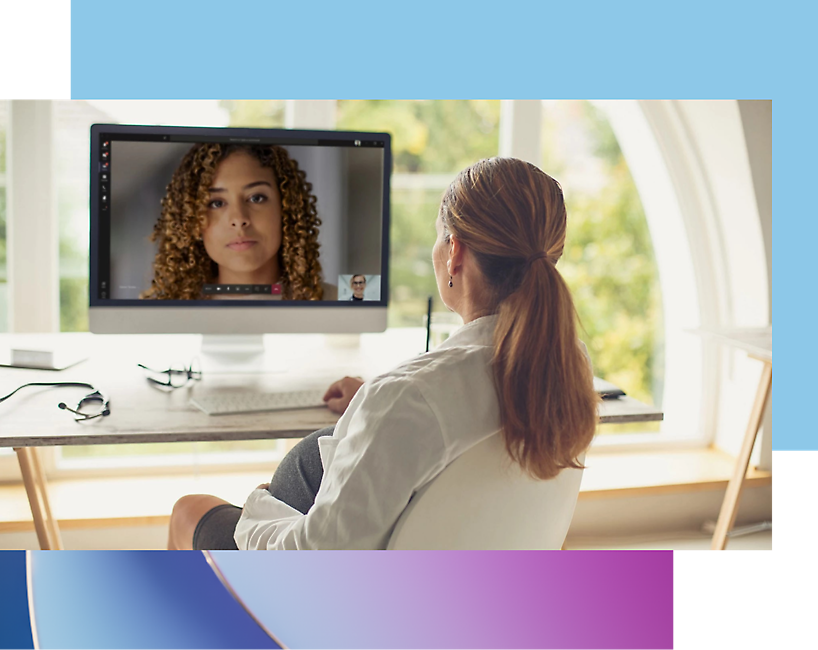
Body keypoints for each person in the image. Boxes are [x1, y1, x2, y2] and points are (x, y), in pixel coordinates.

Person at [167, 157, 600, 550]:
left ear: (455, 254)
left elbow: (315, 558)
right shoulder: (565, 365)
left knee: (191, 508)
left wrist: (260, 508)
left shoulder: (410, 398)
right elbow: (454, 412)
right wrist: (372, 403)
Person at [141, 143, 336, 301]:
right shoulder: (161, 315)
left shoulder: (341, 302)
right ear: (191, 221)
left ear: (287, 208)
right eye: (216, 203)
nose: (239, 219)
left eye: (256, 198)